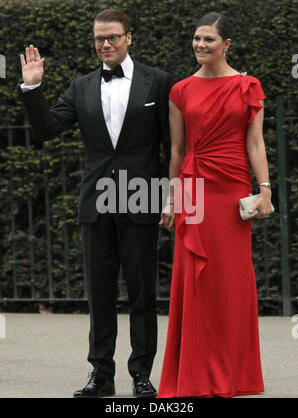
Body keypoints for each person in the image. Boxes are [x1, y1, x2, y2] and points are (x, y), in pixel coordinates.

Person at [20, 9, 172, 398]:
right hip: (97, 202)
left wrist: (176, 197)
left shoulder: (159, 83)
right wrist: (33, 89)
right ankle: (100, 376)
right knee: (100, 294)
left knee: (142, 293)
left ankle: (141, 374)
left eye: (113, 38)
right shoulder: (82, 86)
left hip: (143, 198)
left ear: (129, 37)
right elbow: (46, 129)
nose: (105, 45)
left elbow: (175, 148)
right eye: (99, 39)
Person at [158, 12, 273, 398]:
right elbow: (176, 150)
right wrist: (171, 198)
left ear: (226, 44)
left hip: (232, 191)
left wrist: (265, 189)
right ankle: (194, 376)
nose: (200, 45)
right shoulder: (180, 90)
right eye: (196, 39)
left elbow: (255, 143)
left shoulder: (247, 86)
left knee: (231, 283)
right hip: (193, 189)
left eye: (209, 39)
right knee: (196, 283)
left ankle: (235, 375)